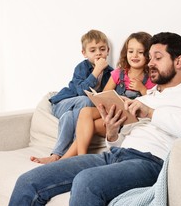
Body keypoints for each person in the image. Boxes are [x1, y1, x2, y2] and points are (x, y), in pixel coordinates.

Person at [4, 32, 181, 206]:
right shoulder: (150, 96)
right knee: (29, 181)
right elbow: (121, 138)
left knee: (87, 182)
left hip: (152, 163)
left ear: (178, 61)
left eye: (158, 58)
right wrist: (113, 131)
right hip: (115, 155)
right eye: (150, 57)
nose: (150, 63)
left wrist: (150, 113)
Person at [54, 31, 156, 161]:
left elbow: (154, 101)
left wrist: (142, 89)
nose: (134, 55)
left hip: (129, 118)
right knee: (85, 112)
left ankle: (66, 159)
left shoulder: (150, 78)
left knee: (96, 122)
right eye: (131, 51)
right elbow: (105, 94)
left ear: (148, 55)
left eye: (140, 52)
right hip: (114, 112)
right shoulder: (118, 73)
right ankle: (79, 157)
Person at [30, 29, 114, 164]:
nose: (98, 53)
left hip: (74, 112)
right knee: (85, 100)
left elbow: (104, 97)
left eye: (102, 49)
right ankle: (77, 152)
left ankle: (56, 156)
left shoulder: (111, 73)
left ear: (108, 51)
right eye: (93, 50)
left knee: (70, 117)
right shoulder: (82, 67)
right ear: (84, 53)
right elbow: (81, 91)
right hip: (64, 103)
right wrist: (97, 71)